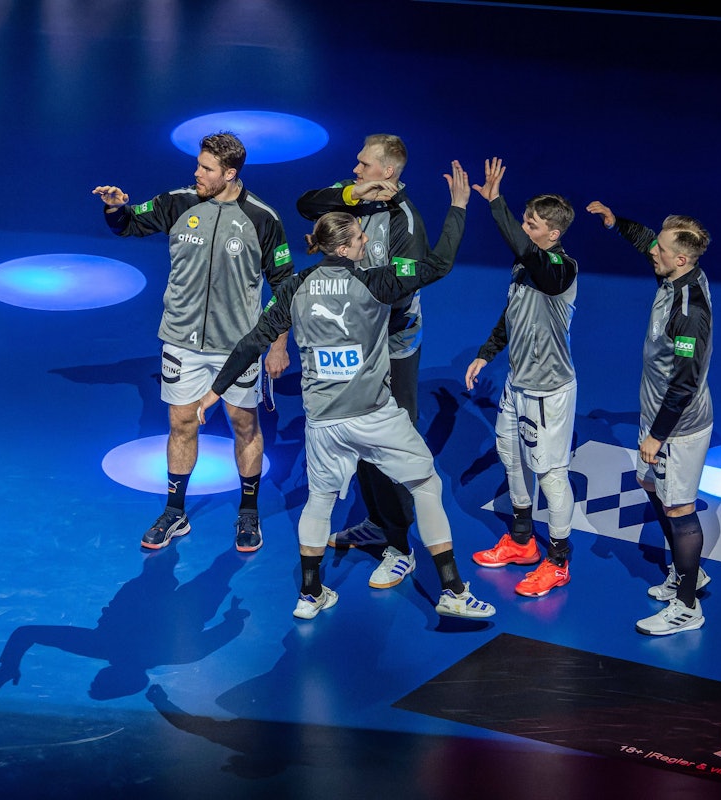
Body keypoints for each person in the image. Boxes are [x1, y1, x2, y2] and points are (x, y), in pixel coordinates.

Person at [198, 162, 495, 622]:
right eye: (360, 239)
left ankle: (311, 593)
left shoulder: (295, 286)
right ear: (347, 246)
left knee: (319, 501)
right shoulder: (374, 281)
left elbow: (254, 341)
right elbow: (439, 264)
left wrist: (215, 390)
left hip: (323, 424)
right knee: (427, 485)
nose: (366, 243)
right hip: (375, 415)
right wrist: (457, 208)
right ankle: (452, 589)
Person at [93, 132, 293, 552]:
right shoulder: (178, 202)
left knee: (244, 425)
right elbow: (128, 224)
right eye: (198, 165)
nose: (196, 173)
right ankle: (175, 512)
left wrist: (277, 343)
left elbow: (285, 286)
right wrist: (115, 208)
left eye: (206, 169)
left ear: (230, 174)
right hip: (181, 340)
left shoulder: (262, 219)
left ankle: (249, 513)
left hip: (238, 347)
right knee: (180, 424)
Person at [296, 134, 431, 591]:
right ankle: (377, 522)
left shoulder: (403, 218)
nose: (355, 168)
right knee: (358, 435)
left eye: (364, 164)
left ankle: (401, 548)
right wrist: (354, 195)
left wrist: (363, 310)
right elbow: (306, 203)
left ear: (388, 170)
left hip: (392, 349)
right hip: (356, 346)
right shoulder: (354, 199)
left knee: (391, 446)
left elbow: (409, 282)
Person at [586, 201, 713, 636]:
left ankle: (687, 605)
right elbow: (647, 242)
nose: (652, 253)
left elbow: (685, 384)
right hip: (656, 414)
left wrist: (658, 437)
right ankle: (686, 570)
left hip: (677, 425)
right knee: (648, 483)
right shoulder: (675, 271)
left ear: (681, 258)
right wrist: (615, 222)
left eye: (661, 249)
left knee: (679, 507)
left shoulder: (689, 313)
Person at [466, 157, 577, 597]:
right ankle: (522, 541)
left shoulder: (561, 269)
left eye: (532, 224)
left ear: (553, 234)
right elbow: (512, 315)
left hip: (549, 390)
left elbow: (525, 250)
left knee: (550, 475)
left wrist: (496, 204)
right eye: (524, 221)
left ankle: (559, 561)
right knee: (510, 459)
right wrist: (487, 353)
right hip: (516, 383)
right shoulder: (523, 268)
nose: (525, 229)